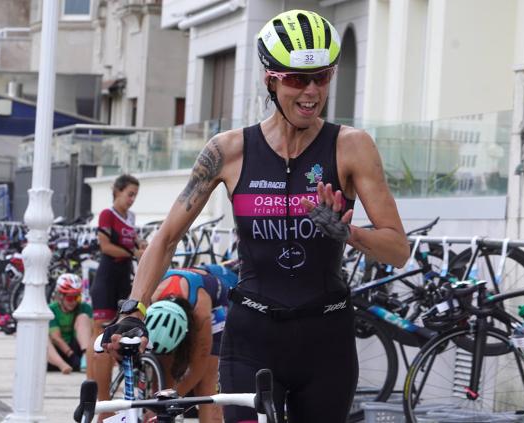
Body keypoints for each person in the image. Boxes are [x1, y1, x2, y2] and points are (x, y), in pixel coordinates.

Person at [102, 9, 409, 423]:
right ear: (270, 78)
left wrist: (348, 232)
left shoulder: (351, 146)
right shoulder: (228, 151)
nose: (312, 91)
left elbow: (398, 249)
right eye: (298, 79)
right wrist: (132, 311)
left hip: (326, 339)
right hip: (253, 338)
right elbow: (168, 237)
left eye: (323, 77)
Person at [88, 174, 146, 415]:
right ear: (118, 192)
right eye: (129, 194)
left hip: (124, 278)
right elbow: (105, 246)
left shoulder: (130, 218)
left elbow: (135, 243)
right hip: (107, 277)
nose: (132, 199)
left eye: (135, 195)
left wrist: (143, 249)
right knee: (100, 336)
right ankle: (98, 399)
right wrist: (133, 253)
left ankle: (111, 391)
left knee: (120, 334)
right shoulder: (107, 214)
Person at [148, 267, 228, 422]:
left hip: (215, 303)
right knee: (165, 373)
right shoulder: (150, 298)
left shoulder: (201, 310)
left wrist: (171, 401)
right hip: (179, 292)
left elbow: (199, 366)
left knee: (206, 387)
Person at [47, 274, 92, 374]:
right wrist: (71, 355)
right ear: (60, 296)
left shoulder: (85, 308)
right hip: (58, 354)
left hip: (78, 351)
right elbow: (56, 338)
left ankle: (86, 357)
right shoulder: (51, 309)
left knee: (83, 317)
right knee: (42, 337)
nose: (74, 302)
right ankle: (63, 366)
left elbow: (93, 333)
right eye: (70, 298)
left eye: (77, 298)